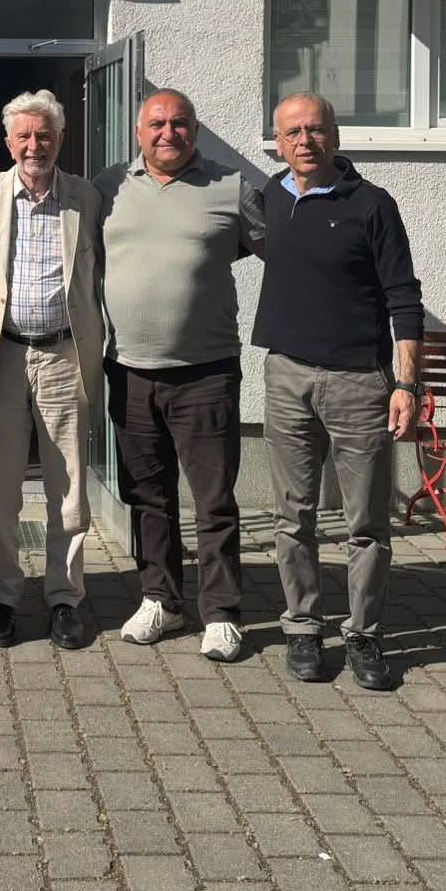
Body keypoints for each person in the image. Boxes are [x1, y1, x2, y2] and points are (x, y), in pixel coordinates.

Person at [255, 92, 423, 693]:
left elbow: (404, 297)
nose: (306, 141)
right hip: (286, 375)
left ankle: (364, 634)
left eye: (316, 129)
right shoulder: (270, 199)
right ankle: (303, 627)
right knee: (292, 516)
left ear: (336, 135)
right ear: (278, 143)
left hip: (359, 381)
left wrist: (406, 384)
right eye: (293, 132)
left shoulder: (372, 205)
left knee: (366, 523)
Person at [94, 88, 265, 662]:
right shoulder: (108, 188)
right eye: (157, 124)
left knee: (213, 501)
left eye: (180, 123)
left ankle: (221, 612)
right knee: (147, 497)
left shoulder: (231, 187)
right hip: (129, 370)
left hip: (206, 374)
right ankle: (161, 600)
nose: (169, 133)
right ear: (139, 133)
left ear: (196, 128)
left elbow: (281, 254)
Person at [0, 90, 102, 651]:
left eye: (44, 135)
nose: (34, 145)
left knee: (68, 488)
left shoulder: (87, 198)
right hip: (2, 357)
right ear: (8, 142)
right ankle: (2, 597)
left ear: (60, 139)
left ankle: (65, 598)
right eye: (23, 135)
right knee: (0, 489)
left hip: (65, 355)